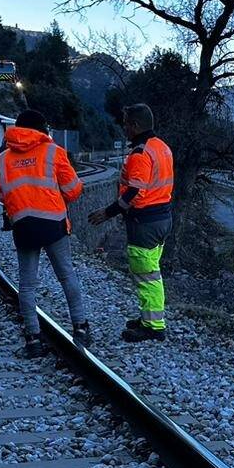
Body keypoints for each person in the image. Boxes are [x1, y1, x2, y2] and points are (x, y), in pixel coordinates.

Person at [0, 108, 90, 356]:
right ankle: (81, 327)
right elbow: (73, 189)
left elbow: (1, 194)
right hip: (53, 224)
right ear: (41, 129)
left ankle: (33, 339)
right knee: (66, 275)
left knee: (26, 284)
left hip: (23, 226)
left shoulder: (1, 160)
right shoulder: (53, 151)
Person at [88, 104, 173, 343]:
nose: (123, 127)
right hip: (162, 218)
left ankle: (154, 326)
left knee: (147, 276)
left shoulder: (140, 154)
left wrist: (108, 212)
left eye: (126, 123)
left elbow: (135, 192)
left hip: (144, 222)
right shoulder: (162, 147)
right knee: (150, 272)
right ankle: (148, 318)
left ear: (135, 126)